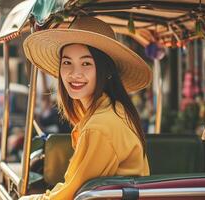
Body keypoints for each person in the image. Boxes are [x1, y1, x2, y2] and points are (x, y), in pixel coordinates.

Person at [21, 16, 152, 199]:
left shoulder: (99, 126)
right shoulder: (114, 110)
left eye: (86, 63)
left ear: (105, 70)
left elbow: (71, 194)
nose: (75, 74)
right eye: (67, 62)